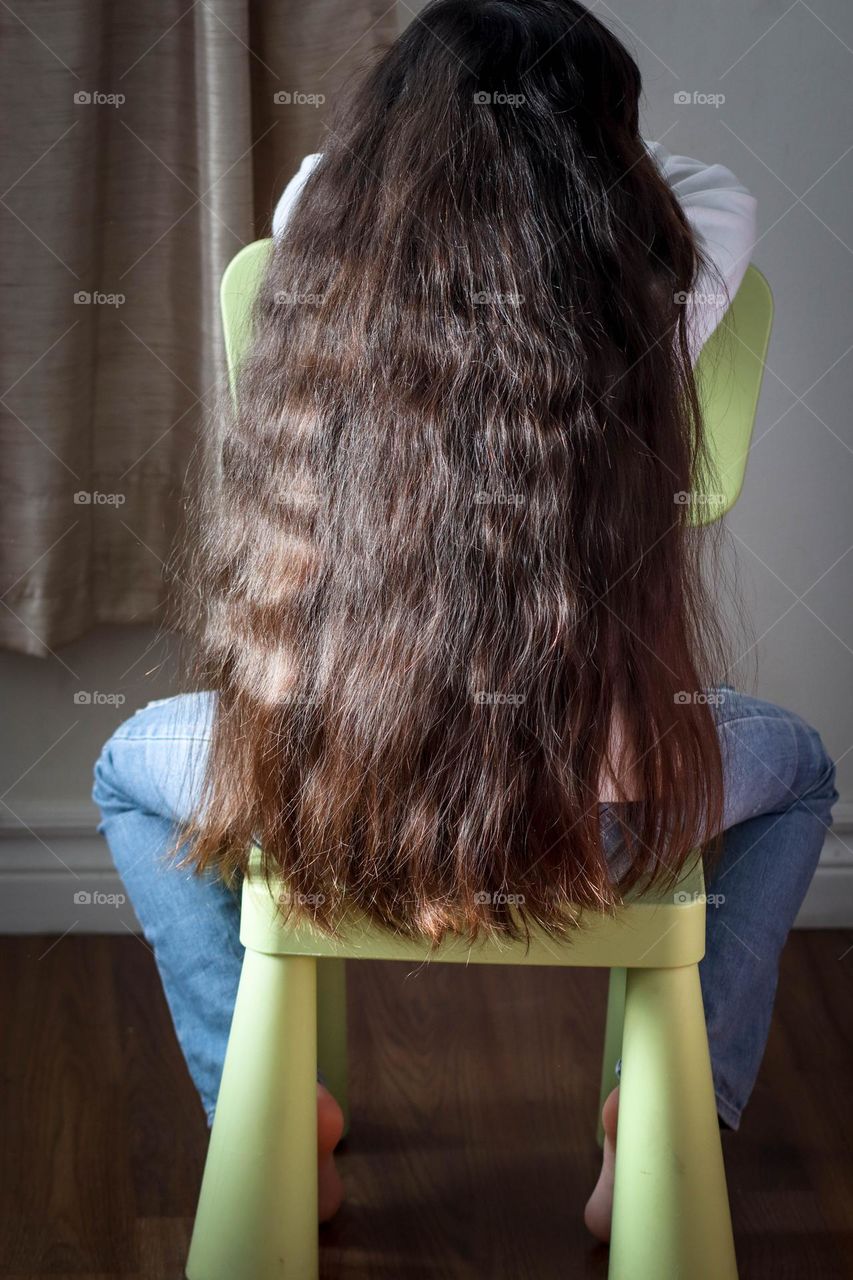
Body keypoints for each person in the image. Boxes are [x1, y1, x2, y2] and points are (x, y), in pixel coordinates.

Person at [93, 0, 837, 1242]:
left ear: (390, 143)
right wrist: (583, 155)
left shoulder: (318, 253)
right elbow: (708, 190)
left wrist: (413, 146)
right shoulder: (668, 278)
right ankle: (656, 1126)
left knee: (128, 768)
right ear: (605, 157)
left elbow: (323, 183)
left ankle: (266, 1117)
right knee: (800, 768)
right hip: (596, 809)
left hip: (328, 794)